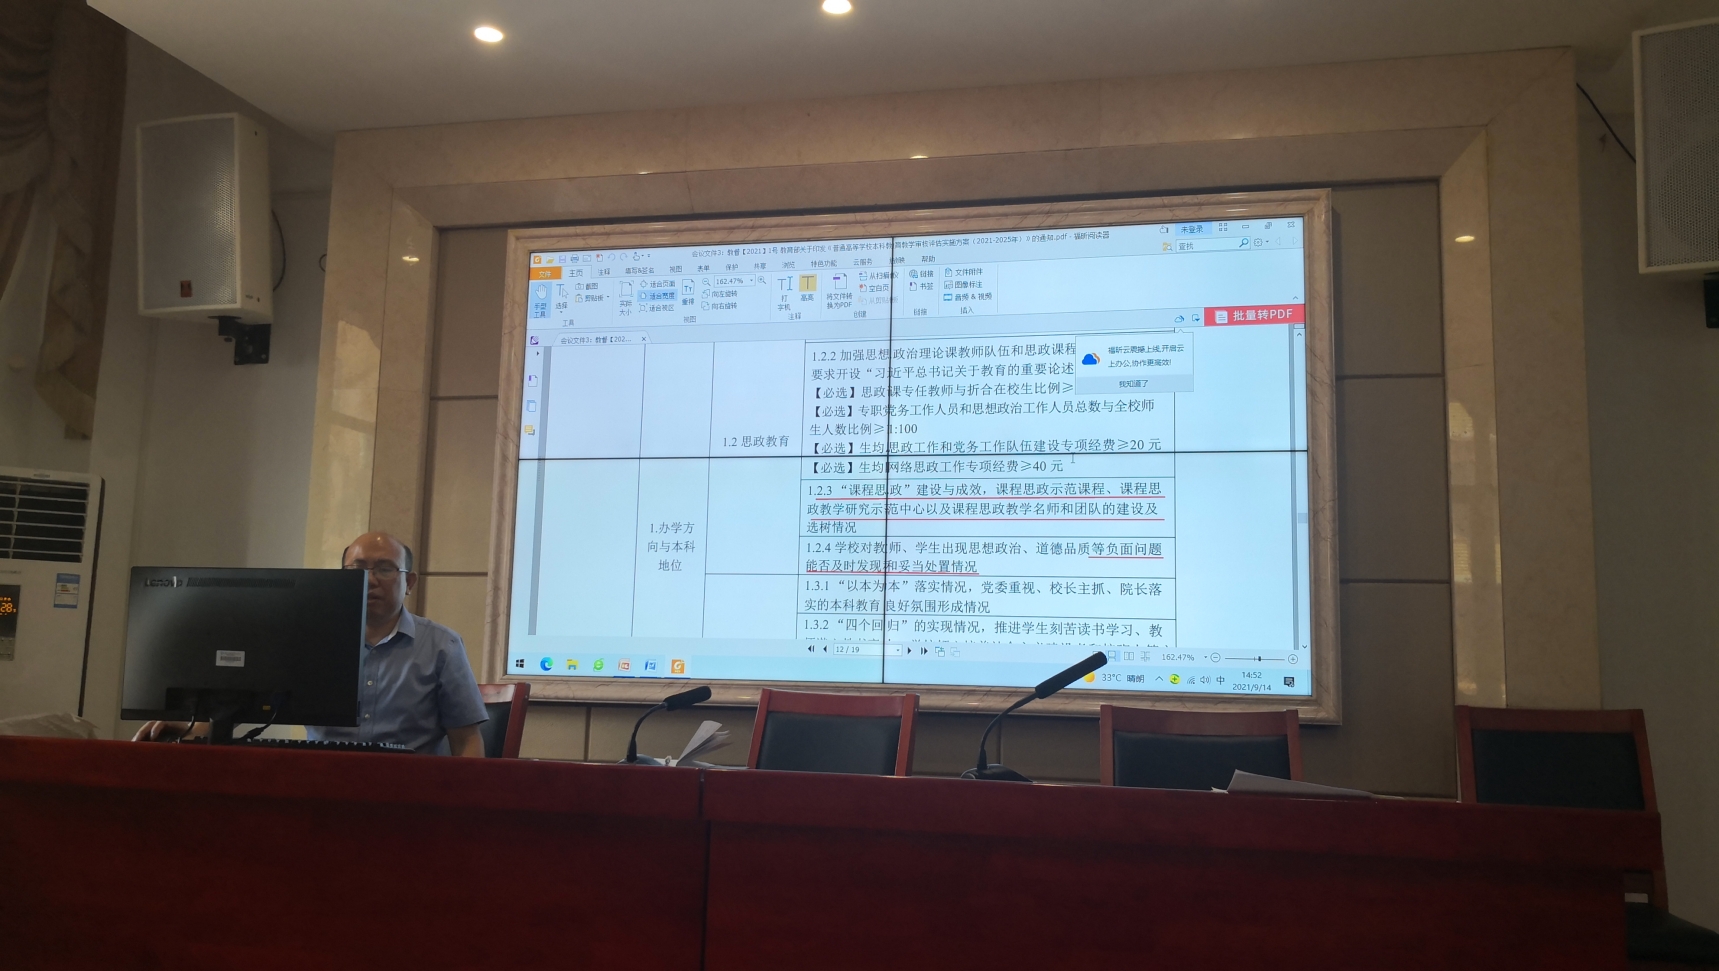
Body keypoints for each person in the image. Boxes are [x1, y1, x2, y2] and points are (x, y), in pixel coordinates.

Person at [133, 531, 489, 756]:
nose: (369, 580)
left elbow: (466, 740)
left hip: (407, 793)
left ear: (409, 582)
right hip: (321, 782)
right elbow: (249, 700)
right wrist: (194, 728)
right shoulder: (305, 639)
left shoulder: (442, 645)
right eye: (357, 570)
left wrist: (459, 807)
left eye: (384, 569)